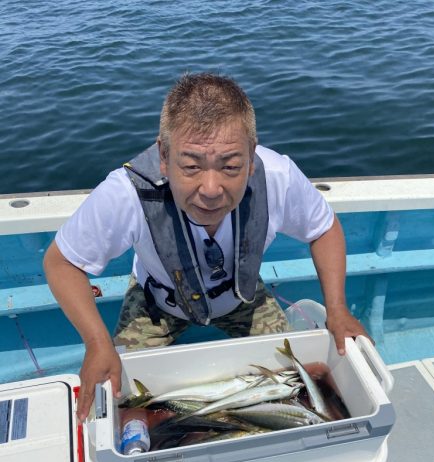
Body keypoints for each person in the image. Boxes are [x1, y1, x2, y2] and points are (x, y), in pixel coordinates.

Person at [44, 72, 369, 421]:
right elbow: (62, 262)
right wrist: (96, 343)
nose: (211, 188)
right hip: (159, 297)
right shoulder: (126, 194)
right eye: (191, 166)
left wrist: (337, 308)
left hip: (241, 293)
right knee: (122, 400)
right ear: (164, 157)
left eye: (230, 166)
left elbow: (323, 228)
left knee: (295, 380)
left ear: (251, 155)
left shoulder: (278, 177)